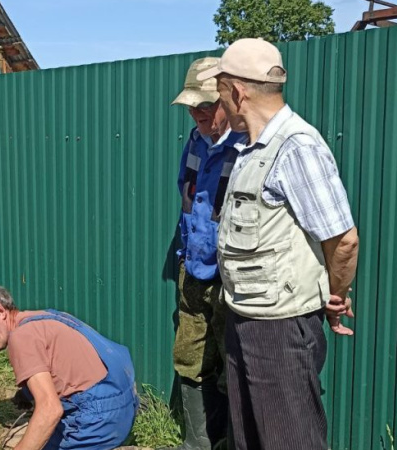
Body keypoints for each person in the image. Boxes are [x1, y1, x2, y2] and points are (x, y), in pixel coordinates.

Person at [196, 39, 360, 450]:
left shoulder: (296, 147)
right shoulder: (251, 148)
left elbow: (343, 240)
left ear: (237, 91)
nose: (220, 102)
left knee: (290, 441)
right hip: (244, 317)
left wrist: (335, 296)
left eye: (220, 92)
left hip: (280, 330)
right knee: (248, 438)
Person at [167, 57, 247, 450]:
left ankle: (230, 442)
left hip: (231, 278)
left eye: (205, 105)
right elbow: (189, 195)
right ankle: (197, 443)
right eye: (191, 106)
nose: (197, 113)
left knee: (234, 366)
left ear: (228, 100)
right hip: (193, 269)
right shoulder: (196, 141)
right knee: (189, 356)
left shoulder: (248, 145)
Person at [0, 283, 139, 450]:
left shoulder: (21, 337)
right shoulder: (46, 317)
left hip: (98, 421)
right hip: (126, 407)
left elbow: (50, 410)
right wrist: (27, 394)